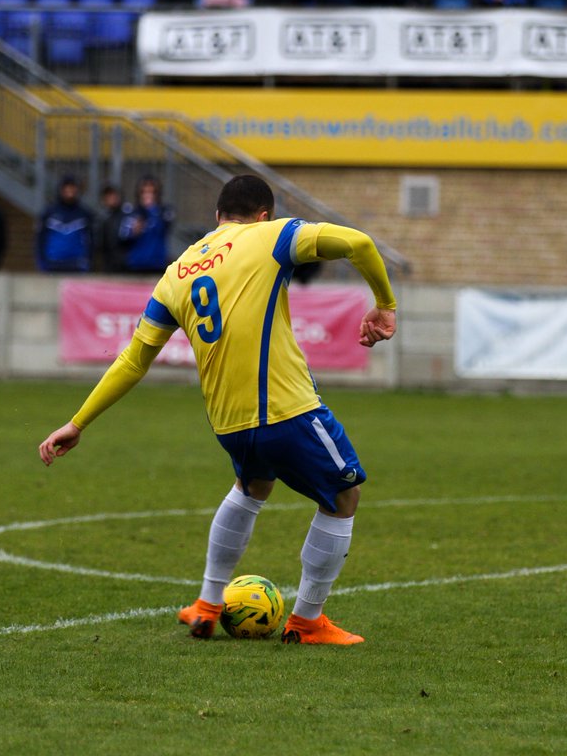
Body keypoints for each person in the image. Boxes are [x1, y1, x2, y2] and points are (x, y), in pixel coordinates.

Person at [39, 174, 398, 646]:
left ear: (217, 218)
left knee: (251, 488)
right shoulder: (272, 235)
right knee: (344, 496)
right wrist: (385, 303)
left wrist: (77, 421)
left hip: (228, 423)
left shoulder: (178, 271)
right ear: (263, 214)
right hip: (287, 409)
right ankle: (308, 620)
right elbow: (359, 242)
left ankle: (207, 604)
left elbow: (133, 359)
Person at [35, 175, 94, 273]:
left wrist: (87, 261)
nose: (70, 190)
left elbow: (91, 240)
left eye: (73, 187)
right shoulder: (48, 212)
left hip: (77, 265)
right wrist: (42, 263)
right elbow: (40, 239)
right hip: (52, 264)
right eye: (67, 187)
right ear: (61, 189)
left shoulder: (85, 214)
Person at [117, 175, 174, 274]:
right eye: (144, 192)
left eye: (152, 192)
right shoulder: (131, 213)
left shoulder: (163, 211)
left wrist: (151, 210)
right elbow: (122, 238)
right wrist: (134, 231)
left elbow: (167, 226)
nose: (148, 195)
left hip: (157, 264)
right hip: (135, 264)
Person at [95, 184, 126, 272]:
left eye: (113, 195)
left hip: (125, 264)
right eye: (108, 196)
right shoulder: (101, 218)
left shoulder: (127, 215)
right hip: (107, 264)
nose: (111, 198)